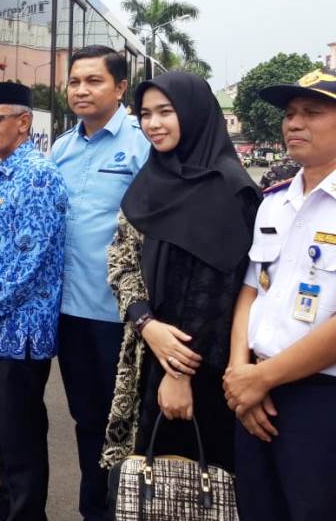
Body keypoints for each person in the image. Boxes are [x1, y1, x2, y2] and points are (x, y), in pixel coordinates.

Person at [101, 72, 259, 474]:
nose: (153, 124)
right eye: (145, 114)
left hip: (194, 372)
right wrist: (144, 321)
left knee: (186, 483)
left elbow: (218, 300)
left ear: (194, 114)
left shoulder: (230, 190)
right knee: (142, 480)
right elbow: (121, 258)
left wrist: (177, 376)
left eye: (165, 112)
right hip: (144, 351)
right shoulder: (152, 180)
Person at [224, 70, 336, 521]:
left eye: (312, 112)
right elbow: (251, 289)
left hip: (320, 396)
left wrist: (262, 381)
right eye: (290, 114)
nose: (294, 123)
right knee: (257, 507)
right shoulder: (274, 200)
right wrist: (239, 371)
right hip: (254, 387)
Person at [49, 46, 150, 521]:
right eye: (74, 82)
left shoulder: (141, 143)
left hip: (119, 315)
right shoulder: (62, 148)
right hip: (68, 311)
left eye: (93, 81)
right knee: (86, 419)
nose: (81, 90)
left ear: (120, 88)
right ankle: (95, 509)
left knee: (124, 425)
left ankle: (122, 509)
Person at [0, 82, 68, 521]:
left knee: (20, 437)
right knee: (7, 434)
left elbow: (29, 261)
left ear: (23, 123)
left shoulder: (37, 175)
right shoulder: (4, 169)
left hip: (19, 329)